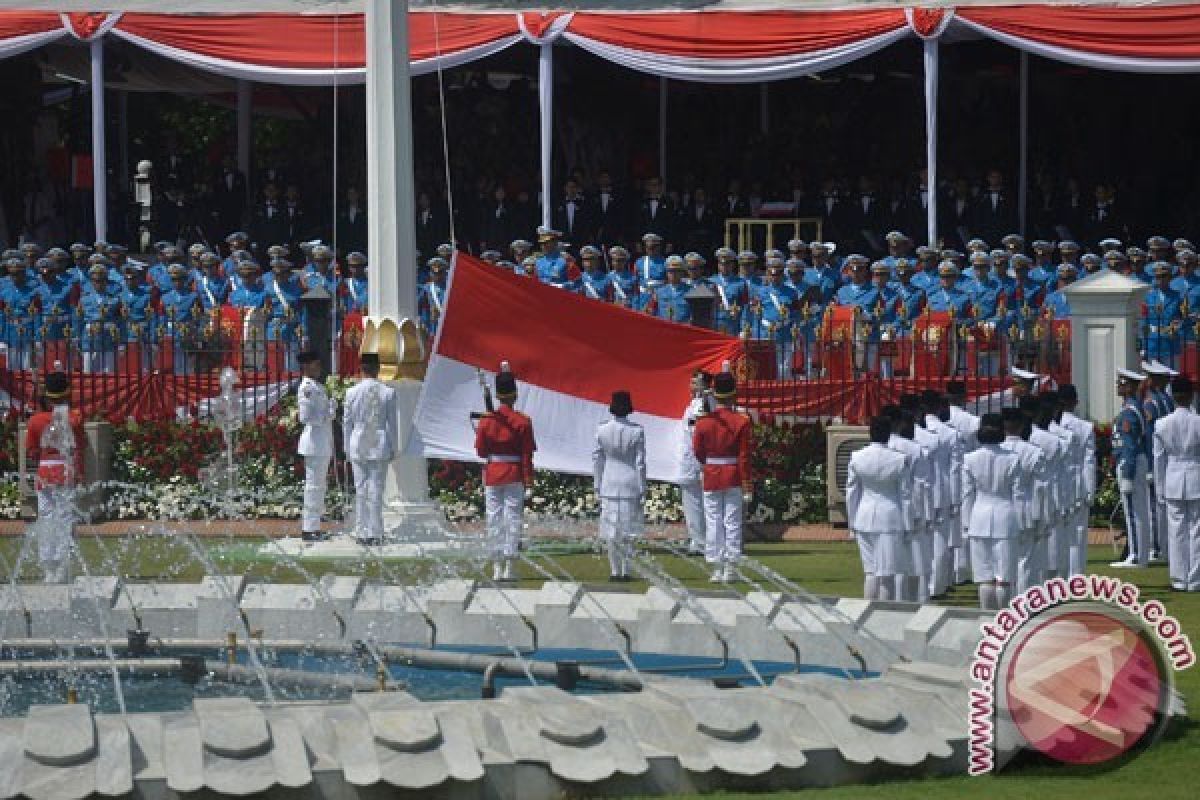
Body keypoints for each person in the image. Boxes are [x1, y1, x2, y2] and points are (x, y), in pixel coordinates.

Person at [474, 364, 536, 581]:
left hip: (493, 473)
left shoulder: (486, 420)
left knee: (494, 519)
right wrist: (529, 481)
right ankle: (510, 565)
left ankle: (497, 566)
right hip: (514, 473)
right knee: (512, 519)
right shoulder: (523, 421)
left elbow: (481, 452)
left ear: (498, 395)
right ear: (515, 394)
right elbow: (527, 454)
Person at [24, 368, 86, 583]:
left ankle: (48, 566)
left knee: (46, 516)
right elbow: (80, 446)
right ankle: (62, 563)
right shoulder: (74, 418)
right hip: (65, 469)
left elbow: (31, 451)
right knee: (65, 517)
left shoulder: (35, 420)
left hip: (44, 471)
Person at [692, 366, 752, 583]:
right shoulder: (742, 421)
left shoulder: (703, 422)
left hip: (711, 473)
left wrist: (709, 465)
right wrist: (747, 485)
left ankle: (716, 567)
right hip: (733, 473)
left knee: (713, 520)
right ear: (733, 394)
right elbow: (745, 456)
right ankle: (731, 567)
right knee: (732, 521)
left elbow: (698, 452)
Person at [846, 416, 913, 601]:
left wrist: (852, 523)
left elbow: (852, 493)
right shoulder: (899, 459)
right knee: (887, 575)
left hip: (864, 517)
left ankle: (867, 613)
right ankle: (883, 615)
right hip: (890, 518)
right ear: (889, 434)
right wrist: (908, 524)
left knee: (871, 573)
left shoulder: (857, 457)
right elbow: (905, 495)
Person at [963, 413, 1025, 610]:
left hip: (979, 517)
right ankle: (1002, 618)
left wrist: (966, 524)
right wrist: (1022, 522)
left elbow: (966, 494)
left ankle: (986, 616)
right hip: (1005, 516)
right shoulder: (1012, 459)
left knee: (985, 576)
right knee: (1004, 576)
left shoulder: (969, 458)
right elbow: (1019, 495)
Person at [343, 353, 398, 546]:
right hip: (379, 441)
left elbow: (346, 424)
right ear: (378, 368)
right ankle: (375, 531)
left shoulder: (352, 392)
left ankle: (361, 530)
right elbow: (393, 425)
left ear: (361, 368)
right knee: (376, 488)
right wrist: (393, 447)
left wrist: (346, 448)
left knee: (360, 488)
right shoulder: (388, 392)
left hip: (358, 441)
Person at [592, 390, 647, 581]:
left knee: (611, 530)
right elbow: (640, 463)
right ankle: (625, 570)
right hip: (630, 481)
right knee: (628, 530)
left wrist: (597, 484)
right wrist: (643, 487)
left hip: (609, 481)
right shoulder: (637, 430)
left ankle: (615, 570)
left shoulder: (602, 429)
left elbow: (597, 459)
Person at [1153, 375, 1200, 591]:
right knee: (1196, 529)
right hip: (1195, 475)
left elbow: (1158, 458)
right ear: (1191, 396)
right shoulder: (1197, 422)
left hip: (1173, 477)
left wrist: (1160, 488)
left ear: (1172, 396)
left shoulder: (1162, 424)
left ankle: (1179, 579)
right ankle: (1195, 578)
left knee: (1176, 531)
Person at [1001, 408, 1047, 594]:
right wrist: (1041, 515)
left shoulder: (997, 451)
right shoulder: (1034, 452)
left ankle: (1007, 602)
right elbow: (1040, 488)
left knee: (1004, 561)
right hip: (1025, 509)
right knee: (1025, 560)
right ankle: (1023, 603)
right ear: (1021, 426)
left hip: (1002, 510)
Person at [1111, 368, 1152, 568]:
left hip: (1131, 462)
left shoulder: (1129, 411)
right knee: (1138, 510)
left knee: (1133, 511)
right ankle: (1140, 555)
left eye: (1122, 383)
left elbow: (1130, 444)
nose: (1118, 386)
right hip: (1135, 460)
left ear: (1129, 387)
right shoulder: (1132, 407)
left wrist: (1127, 472)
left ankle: (1135, 555)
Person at [297, 350, 336, 542]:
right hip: (313, 443)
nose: (319, 368)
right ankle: (309, 528)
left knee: (319, 486)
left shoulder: (317, 387)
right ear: (307, 366)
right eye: (316, 364)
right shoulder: (307, 388)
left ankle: (315, 526)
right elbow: (305, 417)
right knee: (313, 486)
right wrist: (327, 414)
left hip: (321, 443)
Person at [1057, 383, 1096, 575]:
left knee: (1058, 531)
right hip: (1077, 481)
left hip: (1057, 482)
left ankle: (1059, 576)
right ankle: (1076, 576)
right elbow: (1089, 461)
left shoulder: (1052, 425)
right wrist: (1090, 489)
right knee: (1078, 532)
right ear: (1075, 402)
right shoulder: (1085, 427)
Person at [679, 371, 713, 555]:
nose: (692, 385)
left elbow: (698, 431)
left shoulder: (702, 404)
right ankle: (699, 539)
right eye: (691, 382)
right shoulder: (695, 403)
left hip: (697, 460)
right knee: (695, 503)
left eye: (695, 382)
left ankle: (700, 542)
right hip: (692, 459)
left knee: (696, 503)